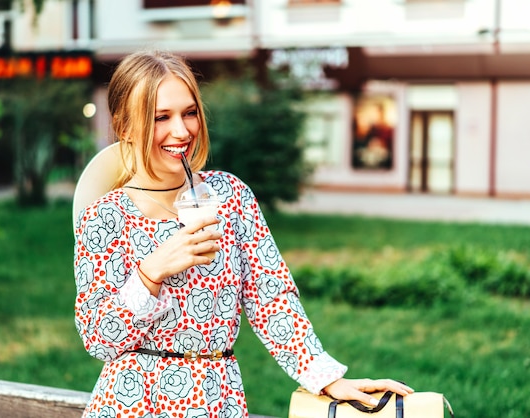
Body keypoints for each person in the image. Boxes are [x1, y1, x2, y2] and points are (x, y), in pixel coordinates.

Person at [73, 50, 413, 418]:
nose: (182, 131)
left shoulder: (231, 197)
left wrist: (325, 377)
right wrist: (150, 272)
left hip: (216, 398)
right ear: (124, 126)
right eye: (161, 117)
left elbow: (271, 299)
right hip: (132, 402)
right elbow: (99, 340)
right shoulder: (104, 216)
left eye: (190, 113)